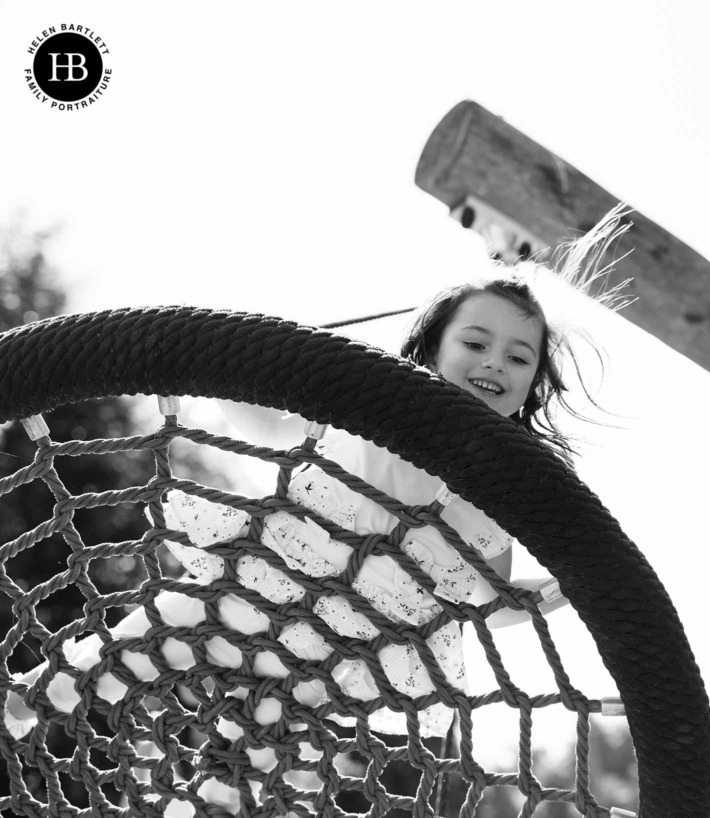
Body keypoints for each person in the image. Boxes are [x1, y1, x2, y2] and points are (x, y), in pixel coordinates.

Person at [3, 206, 631, 812]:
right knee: (134, 648)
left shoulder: (496, 495)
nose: (496, 361)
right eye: (476, 342)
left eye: (518, 357)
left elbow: (486, 598)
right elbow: (266, 420)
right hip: (252, 590)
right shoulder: (367, 416)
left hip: (328, 658)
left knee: (251, 765)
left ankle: (217, 807)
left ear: (530, 385)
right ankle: (38, 696)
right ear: (432, 349)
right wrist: (213, 361)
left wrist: (558, 590)